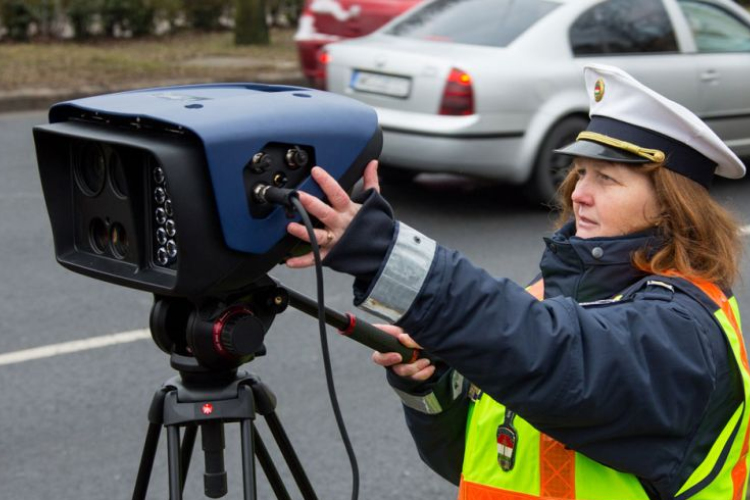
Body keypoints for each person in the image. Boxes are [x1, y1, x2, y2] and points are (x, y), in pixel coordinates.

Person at [285, 64, 750, 500]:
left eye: (607, 179)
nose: (579, 194)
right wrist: (432, 381)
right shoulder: (562, 288)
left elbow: (553, 355)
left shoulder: (681, 331)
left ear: (672, 205)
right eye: (581, 172)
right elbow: (476, 461)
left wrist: (382, 251)